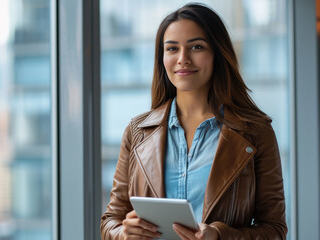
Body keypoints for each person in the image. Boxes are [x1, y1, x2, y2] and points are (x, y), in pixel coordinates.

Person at [101, 3, 287, 240]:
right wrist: (122, 233)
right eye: (172, 49)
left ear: (218, 53)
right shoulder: (137, 132)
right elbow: (111, 221)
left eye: (196, 47)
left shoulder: (255, 132)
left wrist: (219, 236)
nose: (182, 59)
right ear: (162, 58)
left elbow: (275, 230)